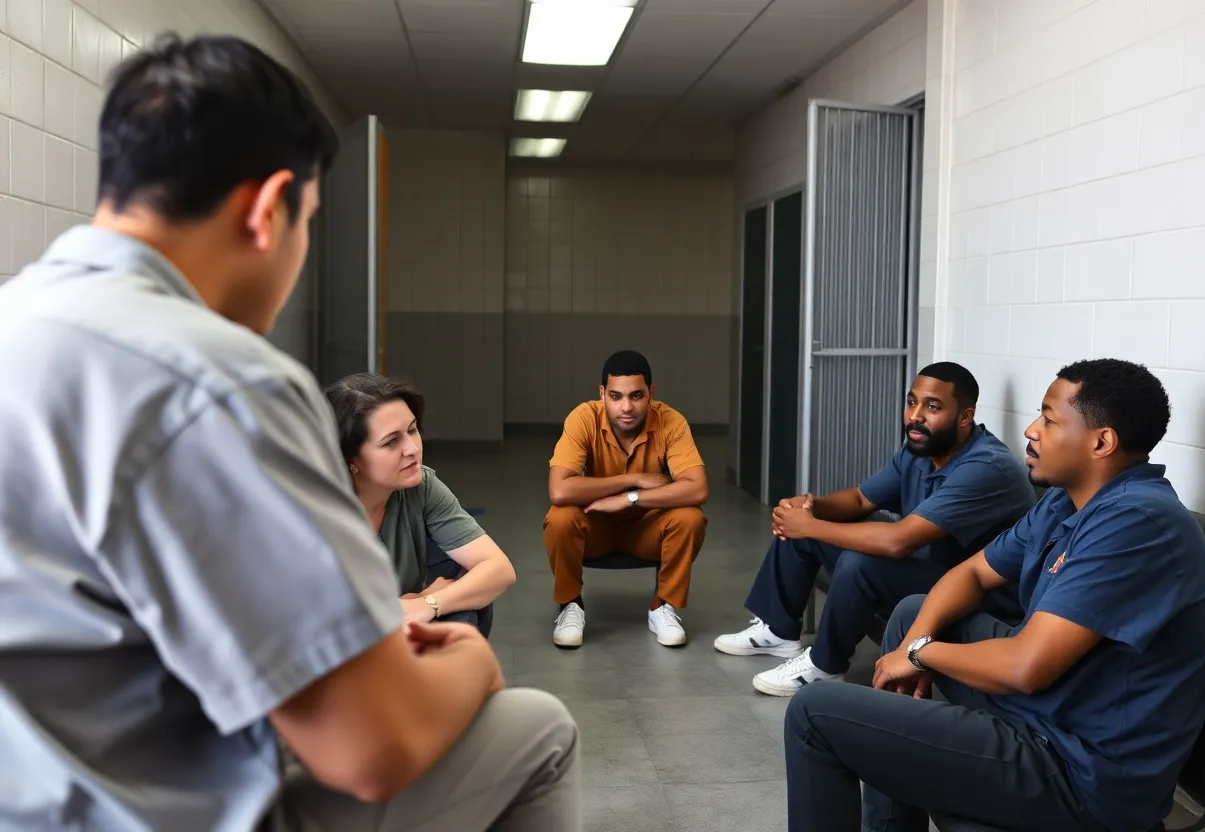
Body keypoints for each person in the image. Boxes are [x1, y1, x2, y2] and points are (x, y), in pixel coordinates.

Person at [0, 34, 579, 832]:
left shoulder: (17, 324)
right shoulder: (217, 379)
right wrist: (474, 659)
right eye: (308, 221)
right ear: (270, 209)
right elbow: (370, 747)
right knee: (537, 725)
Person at [786, 359, 1205, 832]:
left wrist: (921, 653)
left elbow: (1024, 667)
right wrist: (919, 641)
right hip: (1050, 716)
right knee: (914, 612)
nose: (1032, 431)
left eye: (1050, 420)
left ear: (1101, 442)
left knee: (814, 713)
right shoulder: (1065, 500)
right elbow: (968, 574)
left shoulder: (1138, 523)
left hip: (1081, 773)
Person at [715, 362, 1036, 696]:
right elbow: (858, 499)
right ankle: (778, 632)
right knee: (803, 525)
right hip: (933, 569)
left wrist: (809, 526)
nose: (916, 415)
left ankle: (825, 665)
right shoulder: (921, 449)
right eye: (911, 402)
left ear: (965, 416)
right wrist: (810, 506)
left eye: (933, 407)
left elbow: (899, 541)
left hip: (979, 595)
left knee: (857, 560)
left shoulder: (986, 468)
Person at [325, 373, 516, 638]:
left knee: (466, 606)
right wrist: (409, 602)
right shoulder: (315, 512)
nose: (412, 449)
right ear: (350, 460)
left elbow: (499, 569)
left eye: (412, 430)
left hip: (392, 636)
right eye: (391, 441)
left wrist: (427, 603)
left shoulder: (420, 485)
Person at [545, 350, 709, 649]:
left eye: (636, 396)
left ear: (651, 393)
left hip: (647, 529)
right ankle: (571, 605)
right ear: (602, 393)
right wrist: (630, 480)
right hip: (598, 528)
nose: (626, 407)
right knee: (560, 516)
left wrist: (630, 498)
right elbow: (559, 490)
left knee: (690, 517)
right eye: (616, 396)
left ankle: (662, 605)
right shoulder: (583, 417)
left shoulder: (671, 420)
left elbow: (697, 489)